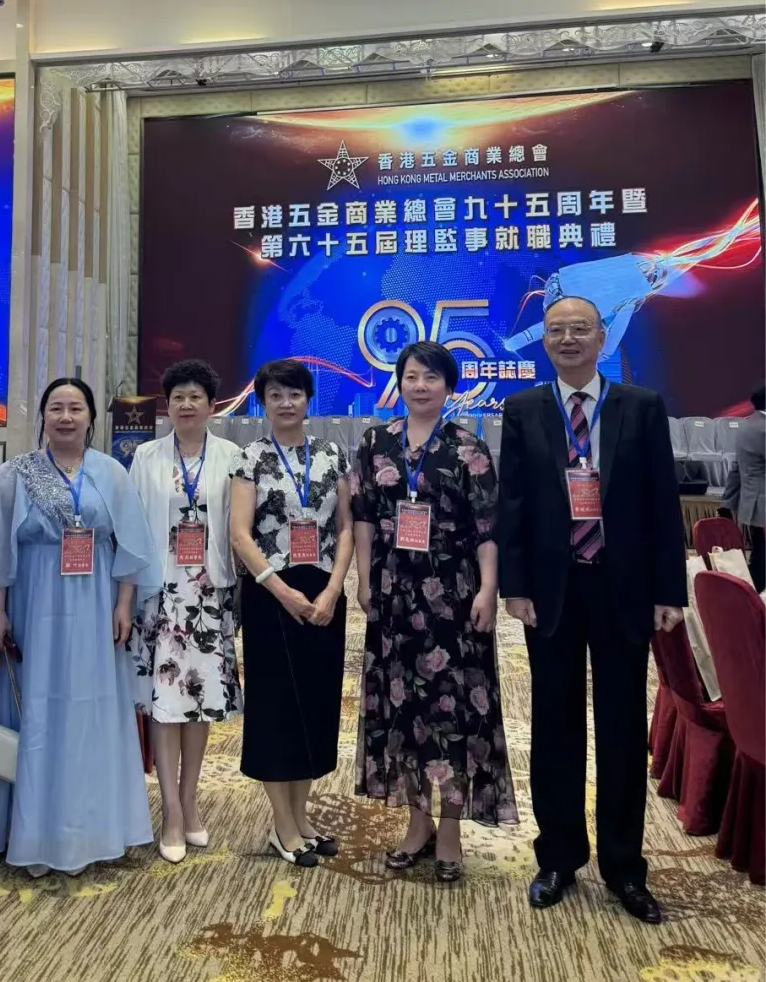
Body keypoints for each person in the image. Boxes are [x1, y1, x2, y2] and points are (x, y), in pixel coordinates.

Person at [498, 296, 686, 924]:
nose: (568, 338)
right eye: (557, 330)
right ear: (544, 341)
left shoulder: (641, 405)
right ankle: (557, 858)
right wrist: (515, 585)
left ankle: (625, 868)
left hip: (622, 588)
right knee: (553, 725)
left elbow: (662, 502)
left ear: (602, 338)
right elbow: (513, 504)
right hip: (552, 590)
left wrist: (669, 590)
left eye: (580, 329)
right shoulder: (524, 408)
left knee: (623, 729)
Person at [0, 378, 161, 877]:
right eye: (55, 407)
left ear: (91, 417)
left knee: (91, 709)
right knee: (37, 706)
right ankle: (36, 834)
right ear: (43, 415)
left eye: (75, 408)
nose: (65, 416)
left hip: (97, 604)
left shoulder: (111, 472)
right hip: (34, 603)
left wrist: (124, 603)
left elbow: (131, 543)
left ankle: (94, 830)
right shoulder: (15, 474)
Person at [351, 342, 517, 884]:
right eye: (411, 376)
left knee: (454, 712)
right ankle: (416, 823)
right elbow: (364, 517)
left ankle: (450, 830)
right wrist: (364, 579)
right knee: (404, 709)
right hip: (395, 593)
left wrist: (488, 588)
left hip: (453, 594)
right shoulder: (376, 442)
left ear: (449, 386)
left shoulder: (468, 446)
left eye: (431, 377)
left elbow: (488, 527)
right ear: (398, 382)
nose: (420, 386)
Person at [229, 359, 353, 867]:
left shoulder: (332, 454)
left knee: (315, 706)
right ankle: (282, 825)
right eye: (276, 394)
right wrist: (281, 591)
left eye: (294, 393)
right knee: (276, 708)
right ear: (263, 402)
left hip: (322, 595)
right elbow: (240, 535)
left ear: (308, 399)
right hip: (271, 595)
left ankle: (302, 818)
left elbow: (344, 528)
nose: (286, 402)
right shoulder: (250, 458)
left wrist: (333, 590)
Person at [129, 360, 243, 864]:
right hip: (161, 593)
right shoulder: (146, 456)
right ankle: (171, 811)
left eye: (196, 396)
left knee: (200, 701)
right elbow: (133, 527)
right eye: (178, 397)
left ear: (212, 405)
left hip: (209, 594)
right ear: (167, 405)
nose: (186, 404)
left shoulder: (232, 456)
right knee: (164, 702)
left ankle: (190, 799)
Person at [732, 385, 765, 591]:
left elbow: (736, 467)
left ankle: (749, 597)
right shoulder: (763, 429)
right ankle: (750, 598)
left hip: (753, 502)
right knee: (761, 560)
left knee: (759, 555)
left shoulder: (747, 425)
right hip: (763, 503)